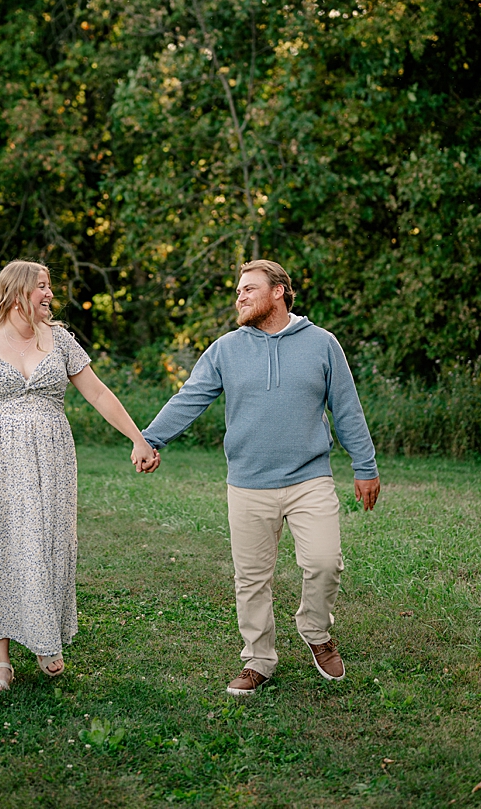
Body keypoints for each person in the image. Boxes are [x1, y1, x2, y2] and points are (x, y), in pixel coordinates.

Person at [139, 261, 380, 694]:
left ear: (279, 292)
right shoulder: (226, 350)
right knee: (251, 579)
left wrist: (365, 466)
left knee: (325, 562)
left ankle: (315, 630)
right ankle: (258, 659)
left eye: (249, 289)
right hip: (248, 482)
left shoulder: (322, 344)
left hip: (310, 478)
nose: (240, 297)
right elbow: (190, 398)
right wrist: (150, 439)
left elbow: (347, 409)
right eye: (238, 291)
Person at [0, 259, 160, 694]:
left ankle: (43, 638)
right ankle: (1, 662)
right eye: (42, 286)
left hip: (52, 458)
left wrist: (138, 439)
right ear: (17, 292)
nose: (50, 293)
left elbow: (98, 393)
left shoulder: (61, 339)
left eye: (49, 285)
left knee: (46, 542)